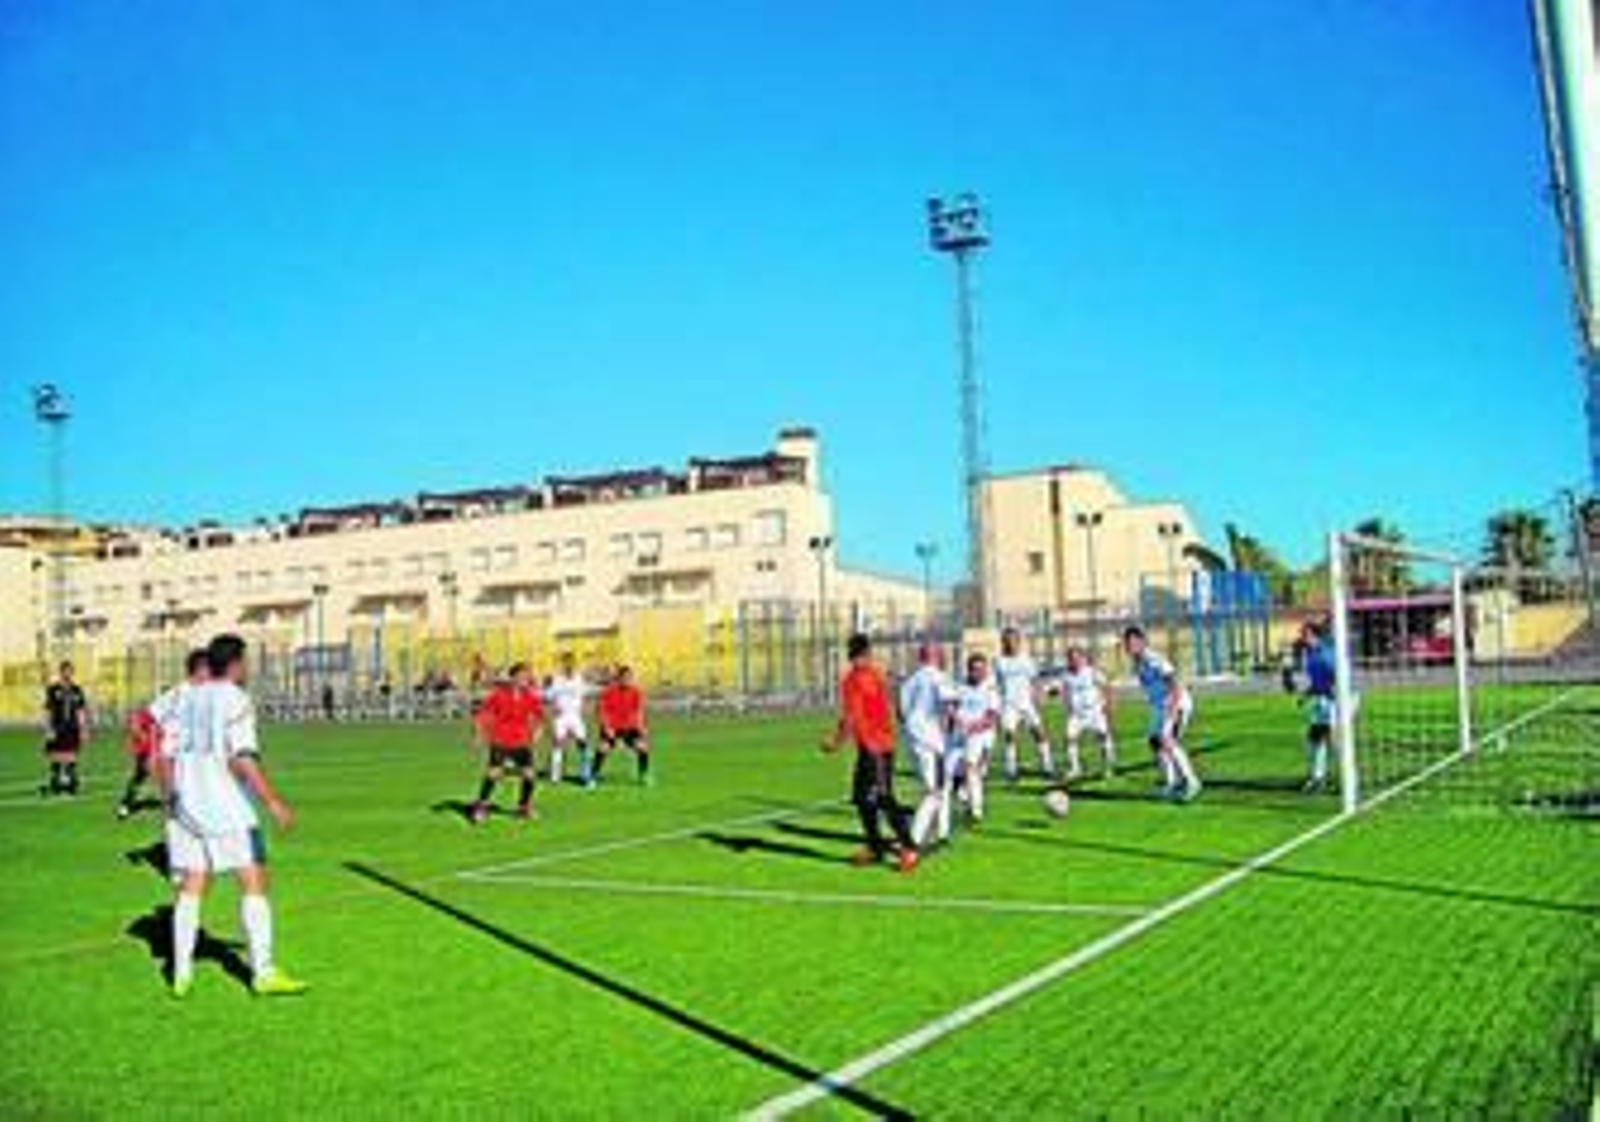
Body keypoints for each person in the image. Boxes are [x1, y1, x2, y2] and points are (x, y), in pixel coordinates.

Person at [163, 634, 306, 997]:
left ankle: (181, 973)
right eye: (246, 661)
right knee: (254, 881)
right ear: (237, 664)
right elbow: (243, 757)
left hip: (187, 807)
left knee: (192, 886)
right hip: (226, 807)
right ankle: (263, 972)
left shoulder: (185, 696)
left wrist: (172, 794)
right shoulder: (236, 699)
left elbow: (164, 752)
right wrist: (272, 801)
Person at [821, 634, 918, 873]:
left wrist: (836, 742)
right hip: (874, 746)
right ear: (866, 652)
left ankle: (909, 847)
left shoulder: (854, 679)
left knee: (883, 797)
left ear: (850, 654)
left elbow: (850, 716)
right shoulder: (875, 674)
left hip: (876, 748)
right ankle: (875, 846)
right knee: (861, 797)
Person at [1122, 626, 1202, 802]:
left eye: (1132, 643)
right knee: (1155, 742)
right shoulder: (1137, 663)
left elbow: (1175, 683)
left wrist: (1173, 709)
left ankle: (1192, 782)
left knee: (1167, 740)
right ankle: (1171, 783)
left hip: (1175, 703)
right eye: (1127, 644)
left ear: (1141, 642)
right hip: (1159, 707)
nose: (1129, 647)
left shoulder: (1153, 659)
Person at [470, 662, 545, 823]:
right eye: (523, 676)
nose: (526, 679)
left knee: (530, 775)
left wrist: (538, 731)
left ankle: (523, 807)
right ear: (513, 677)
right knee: (494, 773)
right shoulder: (499, 695)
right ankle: (481, 806)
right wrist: (477, 733)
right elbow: (482, 713)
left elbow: (539, 715)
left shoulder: (529, 696)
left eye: (527, 676)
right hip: (501, 740)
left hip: (522, 742)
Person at [898, 643, 955, 848]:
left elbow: (900, 713)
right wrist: (953, 728)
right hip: (932, 742)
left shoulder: (909, 681)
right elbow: (950, 704)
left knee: (942, 785)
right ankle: (912, 840)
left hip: (912, 739)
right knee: (934, 791)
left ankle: (942, 832)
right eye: (941, 654)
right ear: (936, 657)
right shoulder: (938, 677)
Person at [993, 628, 1056, 783]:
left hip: (1026, 703)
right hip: (1008, 704)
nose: (1011, 644)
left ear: (1018, 642)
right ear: (1003, 643)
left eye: (1013, 640)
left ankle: (1048, 767)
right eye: (1007, 641)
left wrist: (1039, 695)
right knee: (1009, 735)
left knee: (1039, 733)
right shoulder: (999, 662)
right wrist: (997, 705)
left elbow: (1035, 680)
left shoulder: (1027, 660)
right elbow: (997, 685)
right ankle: (1011, 770)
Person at [948, 651, 1001, 826]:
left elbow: (992, 717)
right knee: (956, 774)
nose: (979, 673)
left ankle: (976, 810)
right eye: (975, 669)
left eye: (982, 670)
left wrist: (974, 727)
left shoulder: (991, 689)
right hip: (959, 734)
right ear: (968, 670)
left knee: (972, 768)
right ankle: (963, 795)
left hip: (981, 735)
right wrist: (954, 723)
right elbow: (952, 708)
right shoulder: (960, 687)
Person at [1060, 645, 1116, 780]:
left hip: (1095, 712)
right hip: (1077, 715)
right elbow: (1065, 690)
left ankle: (1108, 767)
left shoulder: (1091, 672)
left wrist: (1108, 705)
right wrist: (1067, 705)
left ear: (1082, 658)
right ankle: (1075, 768)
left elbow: (1106, 686)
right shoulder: (1066, 674)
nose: (1074, 661)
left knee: (1103, 737)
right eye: (1071, 658)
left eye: (1076, 658)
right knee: (1069, 738)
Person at [594, 665, 653, 786]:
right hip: (612, 728)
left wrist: (642, 728)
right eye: (625, 677)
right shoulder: (608, 692)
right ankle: (593, 775)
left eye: (629, 677)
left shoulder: (636, 692)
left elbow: (639, 712)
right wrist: (606, 728)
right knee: (602, 748)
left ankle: (644, 775)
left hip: (629, 728)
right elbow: (601, 711)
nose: (627, 680)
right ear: (619, 678)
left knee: (643, 747)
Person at [40, 660, 90, 797]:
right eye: (65, 671)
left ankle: (71, 783)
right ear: (61, 672)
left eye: (70, 671)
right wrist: (48, 728)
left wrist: (84, 729)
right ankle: (55, 782)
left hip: (72, 727)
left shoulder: (77, 690)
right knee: (55, 754)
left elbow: (80, 711)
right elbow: (48, 710)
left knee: (71, 755)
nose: (68, 674)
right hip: (57, 726)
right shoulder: (53, 689)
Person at [1300, 620, 1339, 792]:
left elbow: (1338, 675)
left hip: (1337, 700)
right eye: (1303, 635)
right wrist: (1306, 695)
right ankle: (1318, 778)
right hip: (1322, 700)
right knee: (1315, 739)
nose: (1303, 638)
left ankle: (1348, 779)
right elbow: (1318, 682)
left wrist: (1335, 694)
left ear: (1315, 636)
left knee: (1335, 740)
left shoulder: (1327, 653)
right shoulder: (1311, 655)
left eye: (1306, 635)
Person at [545, 653, 592, 786]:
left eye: (571, 662)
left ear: (574, 664)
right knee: (558, 744)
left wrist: (585, 709)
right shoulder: (557, 680)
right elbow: (548, 696)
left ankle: (586, 776)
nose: (569, 665)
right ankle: (555, 777)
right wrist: (553, 708)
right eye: (566, 662)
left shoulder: (579, 679)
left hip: (575, 716)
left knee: (583, 744)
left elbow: (587, 694)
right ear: (562, 664)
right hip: (561, 717)